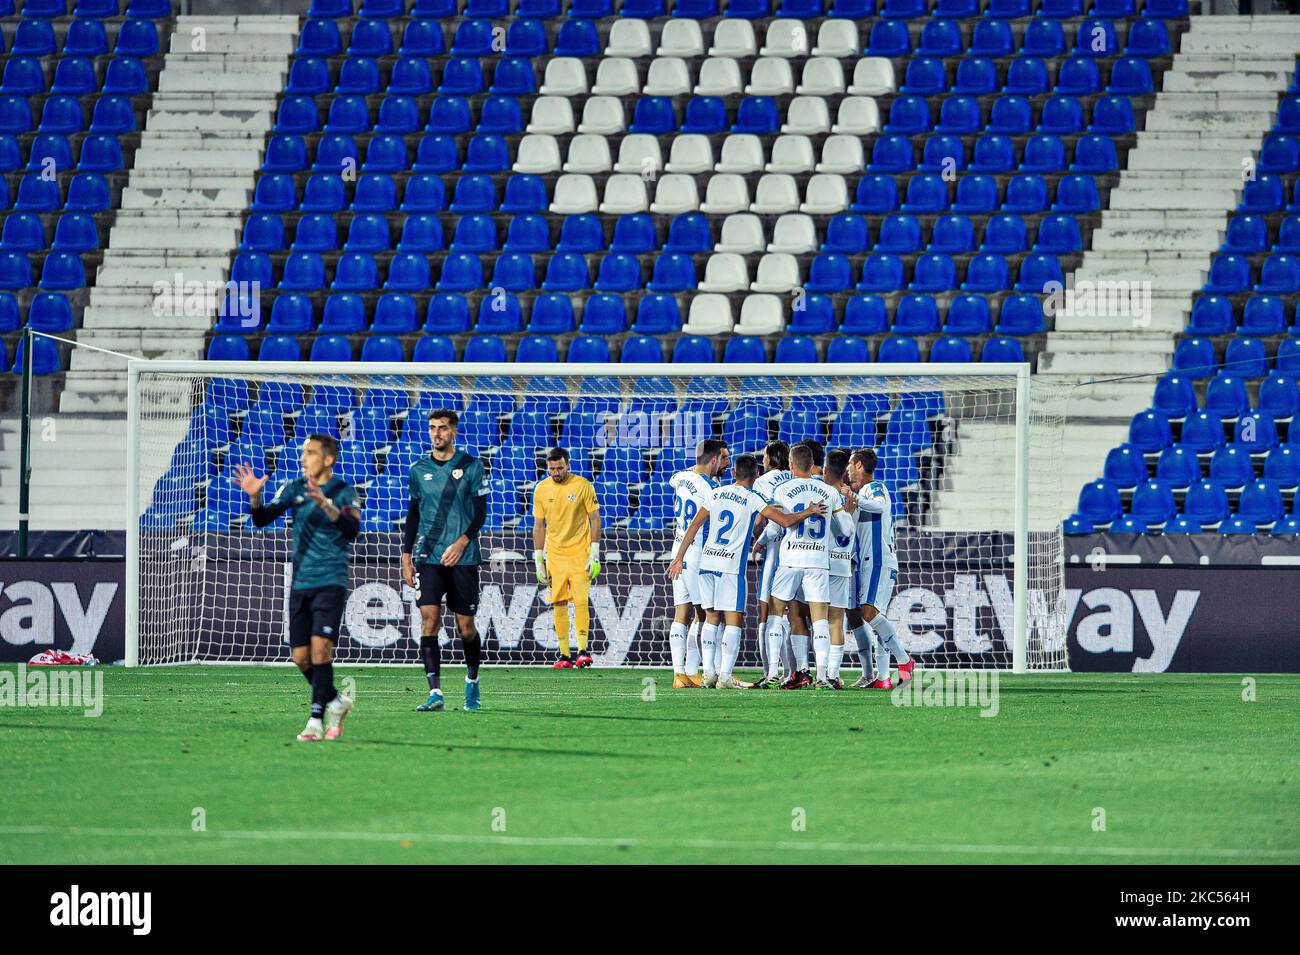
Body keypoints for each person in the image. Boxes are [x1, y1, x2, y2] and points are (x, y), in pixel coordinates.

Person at [234, 434, 360, 742]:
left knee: (321, 650)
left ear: (328, 459)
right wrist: (254, 497)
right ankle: (336, 701)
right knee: (301, 658)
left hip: (330, 580)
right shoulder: (294, 488)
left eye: (311, 454)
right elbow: (263, 519)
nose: (303, 459)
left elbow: (352, 530)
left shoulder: (344, 492)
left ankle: (315, 721)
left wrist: (327, 505)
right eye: (304, 453)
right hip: (301, 583)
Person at [402, 409, 489, 713]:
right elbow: (413, 515)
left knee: (466, 626)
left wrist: (463, 541)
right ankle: (435, 692)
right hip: (428, 557)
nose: (436, 433)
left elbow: (480, 513)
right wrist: (406, 556)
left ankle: (472, 680)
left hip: (463, 557)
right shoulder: (418, 469)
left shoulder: (471, 466)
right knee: (429, 620)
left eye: (442, 428)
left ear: (453, 432)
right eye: (432, 428)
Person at [532, 447, 601, 669]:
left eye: (560, 468)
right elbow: (539, 525)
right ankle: (564, 655)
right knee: (559, 602)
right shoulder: (541, 489)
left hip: (580, 553)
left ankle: (582, 651)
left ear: (568, 465)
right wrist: (538, 559)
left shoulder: (582, 485)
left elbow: (595, 518)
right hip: (555, 555)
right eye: (552, 468)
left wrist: (595, 553)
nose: (556, 472)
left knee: (581, 600)